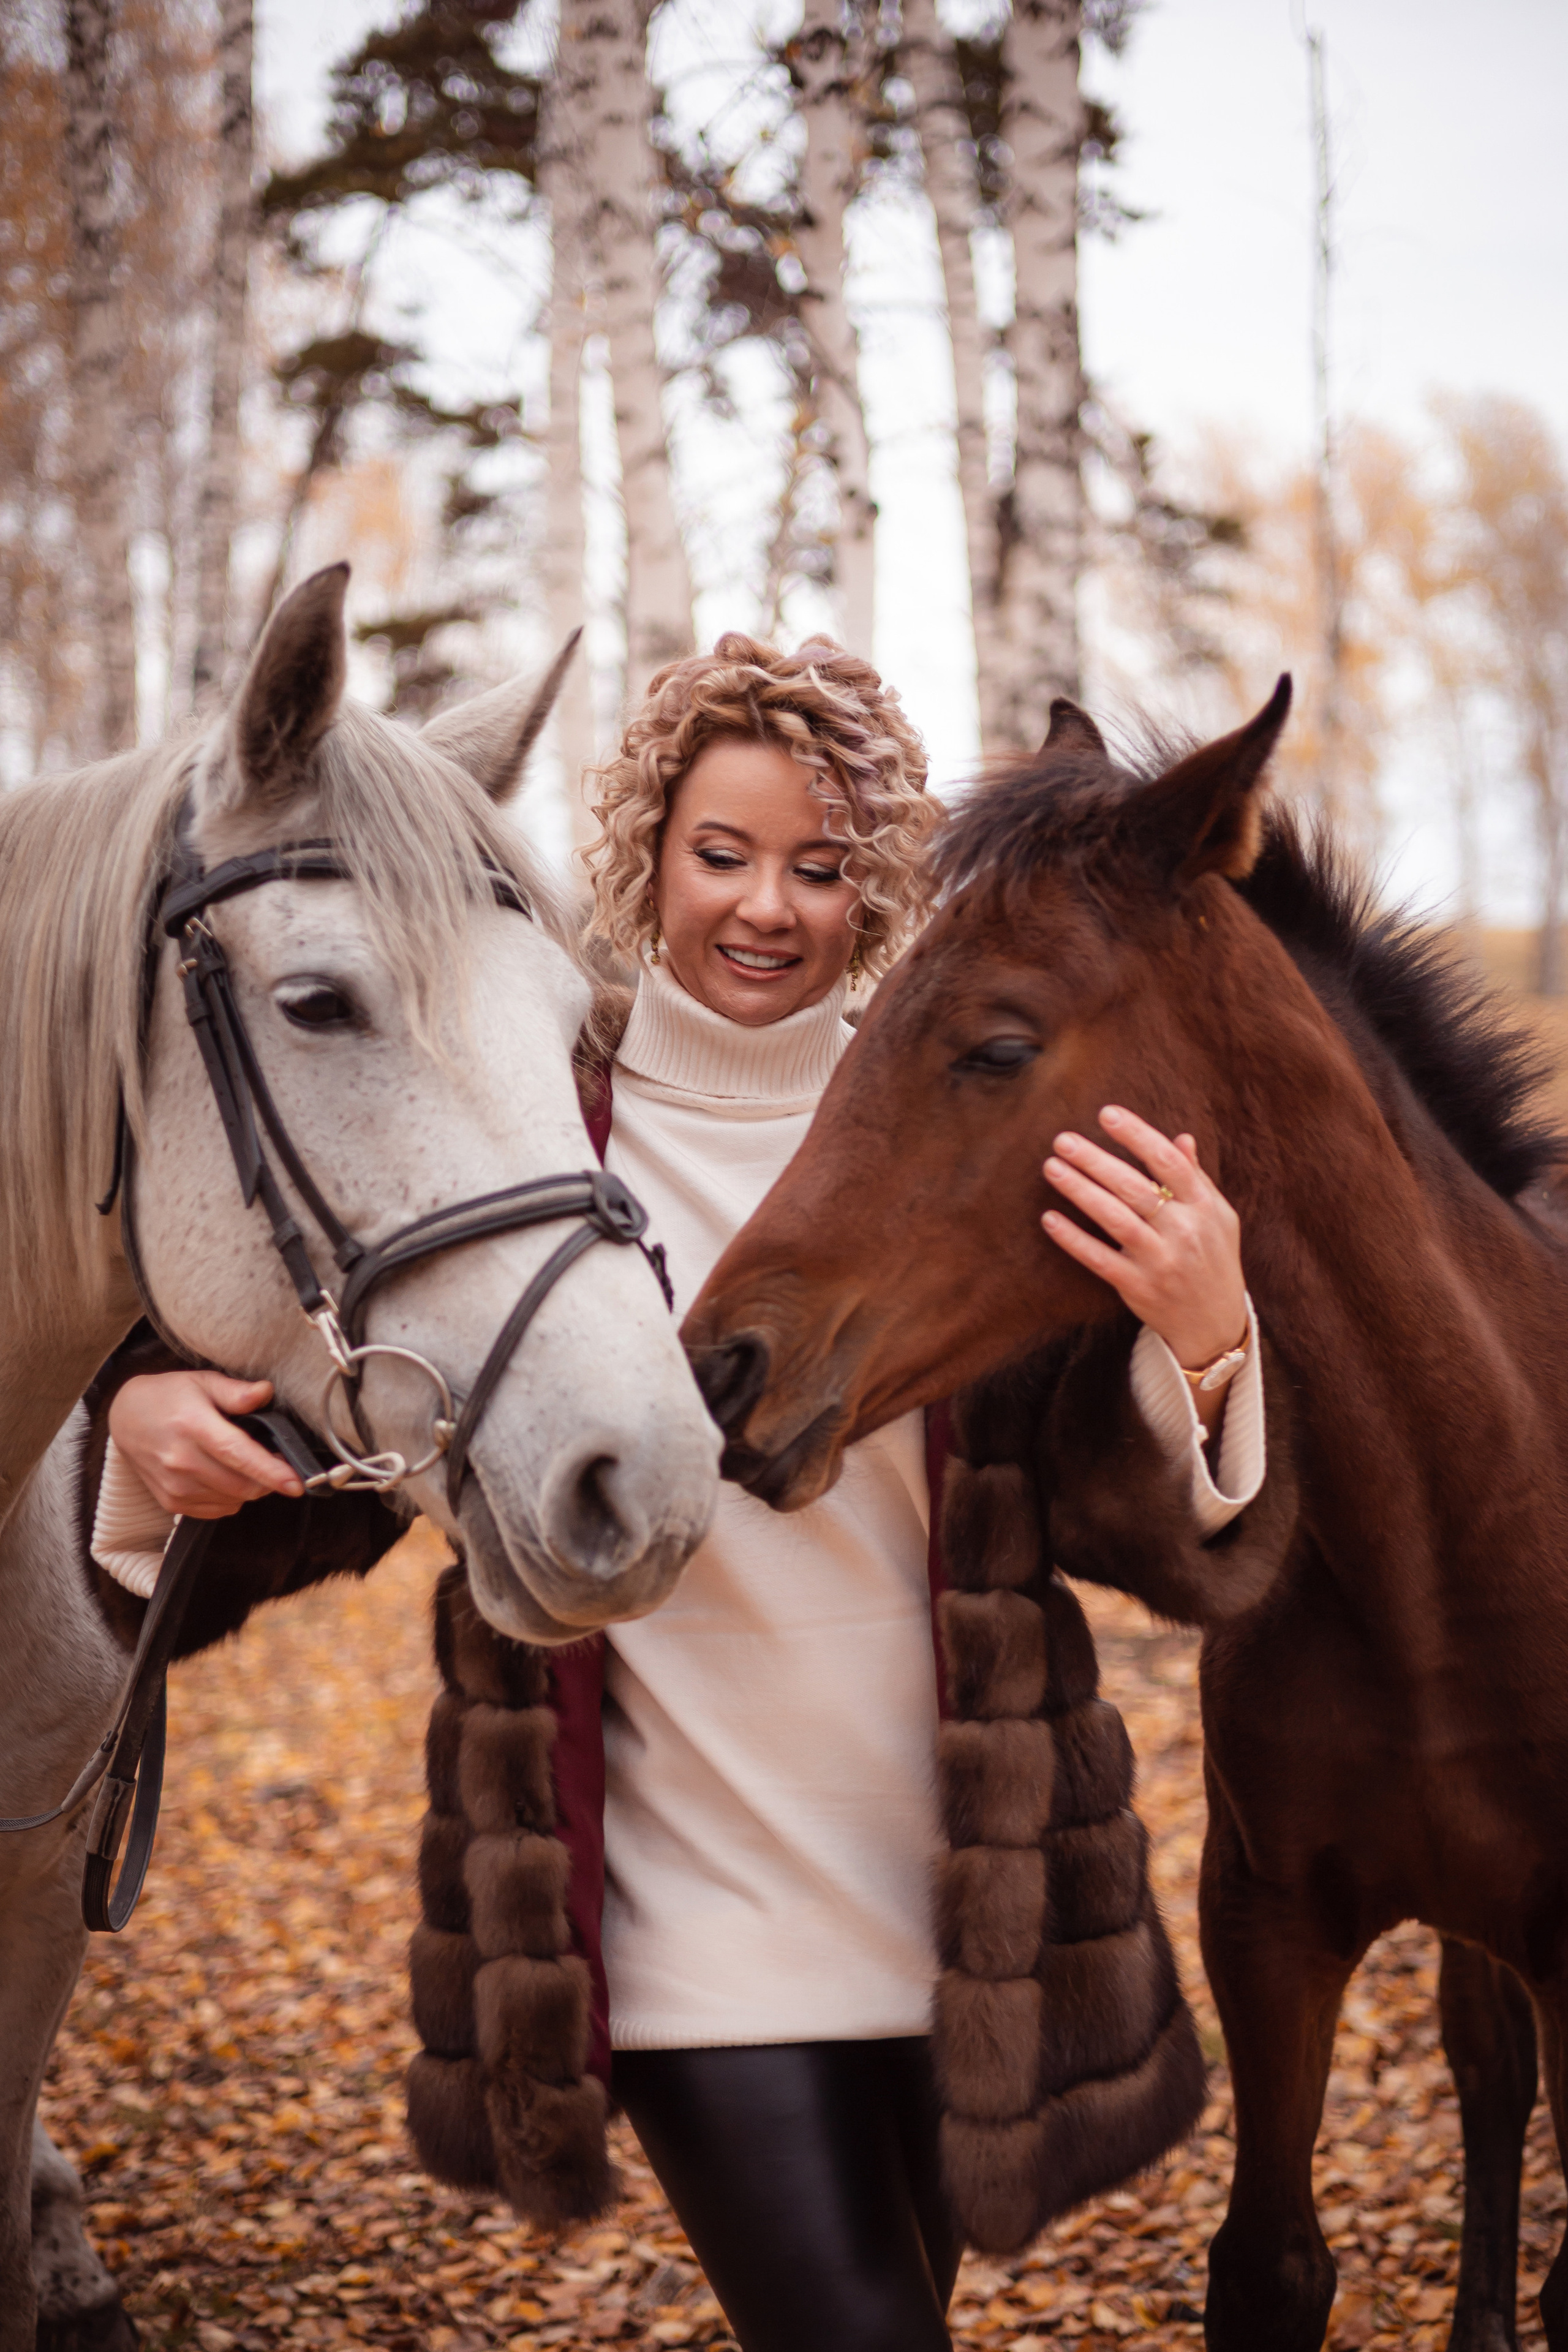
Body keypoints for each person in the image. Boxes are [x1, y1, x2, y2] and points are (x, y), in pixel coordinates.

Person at [98, 635, 1263, 2352]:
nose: (767, 907)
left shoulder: (964, 1128)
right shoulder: (528, 1138)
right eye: (721, 852)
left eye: (819, 863)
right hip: (680, 1928)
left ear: (877, 885)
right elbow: (364, 1454)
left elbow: (1132, 1514)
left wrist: (1212, 1331)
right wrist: (144, 1449)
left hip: (960, 1918)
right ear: (649, 851)